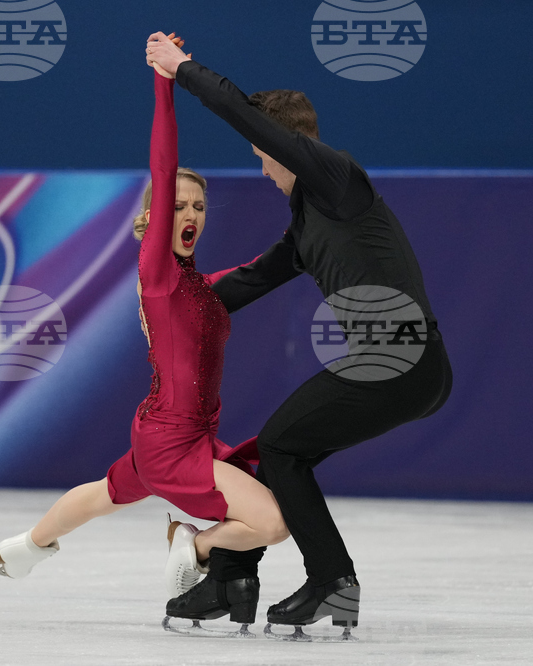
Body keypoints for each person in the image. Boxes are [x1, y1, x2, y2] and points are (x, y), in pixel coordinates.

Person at [0, 40, 289, 627]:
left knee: (103, 494)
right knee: (271, 522)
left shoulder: (200, 286)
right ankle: (191, 543)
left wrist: (316, 233)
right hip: (173, 442)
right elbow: (163, 166)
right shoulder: (158, 273)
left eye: (199, 208)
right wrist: (165, 82)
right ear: (152, 217)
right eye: (178, 206)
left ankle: (23, 550)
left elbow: (262, 270)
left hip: (171, 435)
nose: (190, 215)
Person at [147, 33, 453, 632]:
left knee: (281, 445)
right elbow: (253, 279)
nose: (262, 168)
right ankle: (231, 578)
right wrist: (172, 305)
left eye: (262, 153)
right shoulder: (311, 219)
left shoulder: (336, 179)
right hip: (405, 368)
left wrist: (182, 69)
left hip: (401, 360)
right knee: (279, 451)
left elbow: (240, 113)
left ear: (278, 144)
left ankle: (333, 580)